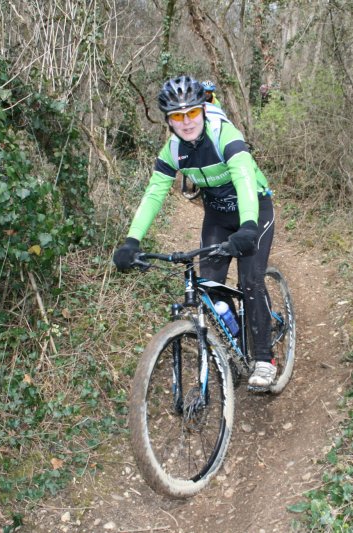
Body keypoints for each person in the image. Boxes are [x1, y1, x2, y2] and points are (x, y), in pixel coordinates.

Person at [113, 75, 277, 389]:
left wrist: (248, 226)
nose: (186, 122)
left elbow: (243, 177)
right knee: (211, 287)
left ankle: (264, 356)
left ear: (203, 109)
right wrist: (131, 241)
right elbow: (154, 193)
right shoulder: (173, 150)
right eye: (177, 116)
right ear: (169, 121)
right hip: (216, 215)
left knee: (250, 280)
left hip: (253, 207)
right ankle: (236, 339)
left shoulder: (224, 135)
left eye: (191, 113)